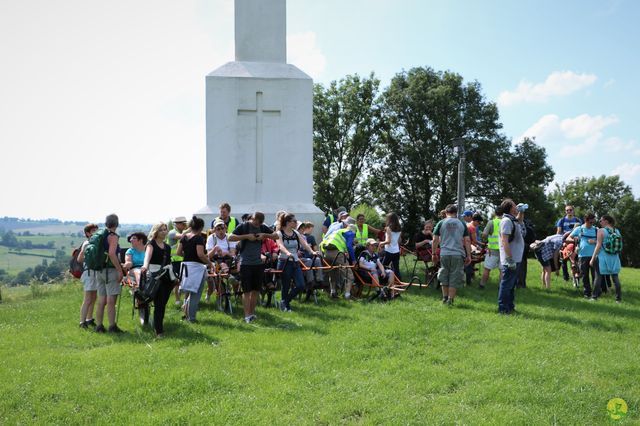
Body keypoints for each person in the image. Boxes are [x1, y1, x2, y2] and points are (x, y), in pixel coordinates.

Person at [229, 212, 278, 323]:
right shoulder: (243, 226)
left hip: (258, 263)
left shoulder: (262, 226)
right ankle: (246, 316)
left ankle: (251, 314)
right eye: (256, 222)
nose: (257, 224)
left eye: (259, 223)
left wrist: (264, 235)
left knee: (255, 291)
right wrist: (246, 237)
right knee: (246, 291)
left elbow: (276, 236)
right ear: (252, 218)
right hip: (245, 263)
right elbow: (230, 237)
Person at [276, 213, 319, 312]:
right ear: (288, 222)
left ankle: (285, 302)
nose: (296, 223)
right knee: (285, 285)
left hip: (295, 261)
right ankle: (286, 306)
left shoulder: (296, 233)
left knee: (301, 285)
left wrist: (312, 251)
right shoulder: (280, 233)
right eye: (294, 221)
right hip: (284, 262)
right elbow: (280, 246)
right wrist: (287, 253)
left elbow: (305, 244)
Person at [432, 205, 471, 305]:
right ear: (456, 212)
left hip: (444, 253)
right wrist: (469, 256)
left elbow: (435, 240)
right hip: (458, 254)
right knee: (455, 276)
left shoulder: (441, 223)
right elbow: (467, 240)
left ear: (446, 212)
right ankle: (450, 299)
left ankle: (445, 298)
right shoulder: (462, 223)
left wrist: (433, 253)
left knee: (444, 274)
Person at [176, 216, 213, 323]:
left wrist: (187, 255)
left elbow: (178, 252)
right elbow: (200, 254)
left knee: (189, 291)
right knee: (195, 295)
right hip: (196, 268)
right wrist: (210, 263)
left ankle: (186, 313)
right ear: (201, 228)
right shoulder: (199, 238)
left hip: (185, 267)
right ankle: (191, 318)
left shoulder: (184, 237)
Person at [140, 223, 173, 337]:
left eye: (165, 230)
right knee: (159, 304)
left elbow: (169, 262)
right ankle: (159, 331)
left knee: (162, 304)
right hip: (155, 276)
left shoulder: (168, 247)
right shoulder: (151, 244)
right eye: (161, 230)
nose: (164, 232)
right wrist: (145, 266)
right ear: (156, 232)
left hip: (167, 277)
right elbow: (147, 257)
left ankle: (158, 325)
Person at [95, 214, 125, 333]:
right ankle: (112, 326)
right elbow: (112, 254)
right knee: (111, 300)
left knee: (101, 300)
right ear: (116, 223)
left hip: (100, 270)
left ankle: (99, 326)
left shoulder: (100, 235)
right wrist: (119, 270)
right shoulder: (113, 236)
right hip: (110, 271)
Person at [497, 199, 525, 315]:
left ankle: (510, 306)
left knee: (511, 284)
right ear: (509, 208)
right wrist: (509, 258)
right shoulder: (506, 221)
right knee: (506, 284)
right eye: (514, 205)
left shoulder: (513, 219)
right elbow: (504, 240)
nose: (516, 207)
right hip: (510, 259)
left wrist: (522, 212)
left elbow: (519, 220)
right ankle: (503, 309)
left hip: (516, 258)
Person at [590, 214, 622, 302]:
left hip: (602, 257)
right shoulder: (617, 231)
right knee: (615, 278)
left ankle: (594, 297)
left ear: (606, 221)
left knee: (598, 277)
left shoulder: (601, 231)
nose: (600, 222)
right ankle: (618, 299)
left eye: (601, 220)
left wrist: (592, 259)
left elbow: (598, 245)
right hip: (614, 257)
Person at [320, 224, 357, 299]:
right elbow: (349, 246)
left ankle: (333, 292)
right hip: (336, 253)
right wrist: (353, 260)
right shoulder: (350, 233)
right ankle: (347, 295)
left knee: (333, 272)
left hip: (326, 253)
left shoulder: (337, 231)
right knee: (349, 275)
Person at [205, 218, 238, 302]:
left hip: (228, 258)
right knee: (221, 265)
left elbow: (233, 254)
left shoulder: (229, 237)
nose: (221, 231)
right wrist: (215, 248)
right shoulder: (211, 238)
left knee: (236, 264)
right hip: (214, 260)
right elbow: (208, 255)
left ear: (225, 228)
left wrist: (225, 253)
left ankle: (235, 292)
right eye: (218, 229)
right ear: (214, 230)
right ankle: (228, 278)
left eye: (222, 228)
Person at [569, 212, 598, 298]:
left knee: (595, 275)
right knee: (584, 275)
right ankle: (587, 293)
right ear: (586, 220)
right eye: (590, 222)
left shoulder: (596, 229)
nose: (592, 224)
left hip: (594, 256)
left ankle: (595, 293)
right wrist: (575, 238)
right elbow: (569, 237)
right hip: (582, 255)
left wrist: (595, 241)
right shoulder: (579, 229)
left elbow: (601, 241)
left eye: (593, 222)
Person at [123, 232, 148, 325]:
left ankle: (142, 290)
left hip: (147, 270)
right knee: (138, 271)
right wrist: (127, 264)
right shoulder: (130, 251)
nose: (130, 240)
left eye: (133, 238)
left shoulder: (148, 250)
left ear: (140, 240)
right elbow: (128, 261)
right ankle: (141, 288)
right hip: (134, 271)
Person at [77, 223, 99, 329]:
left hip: (95, 273)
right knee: (87, 299)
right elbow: (79, 259)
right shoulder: (87, 243)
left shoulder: (96, 242)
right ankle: (82, 322)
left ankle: (89, 319)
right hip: (89, 273)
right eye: (93, 230)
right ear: (87, 233)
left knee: (94, 297)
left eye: (96, 230)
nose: (96, 232)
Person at [556, 205, 582, 281]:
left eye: (570, 210)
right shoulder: (562, 220)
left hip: (576, 242)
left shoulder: (578, 220)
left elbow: (581, 231)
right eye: (567, 210)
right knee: (564, 260)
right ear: (565, 211)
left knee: (576, 260)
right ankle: (566, 278)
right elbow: (558, 232)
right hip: (565, 242)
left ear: (573, 211)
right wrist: (560, 242)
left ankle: (577, 276)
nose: (569, 211)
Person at [480, 207, 503, 289]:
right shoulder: (506, 222)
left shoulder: (491, 222)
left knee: (487, 269)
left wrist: (485, 240)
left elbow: (484, 235)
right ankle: (501, 287)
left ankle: (482, 285)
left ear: (495, 213)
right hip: (503, 250)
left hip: (492, 250)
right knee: (502, 270)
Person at [167, 216, 188, 307]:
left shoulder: (182, 231)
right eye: (183, 224)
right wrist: (190, 229)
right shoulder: (172, 232)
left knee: (184, 279)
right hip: (174, 260)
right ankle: (177, 300)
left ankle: (184, 299)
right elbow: (182, 236)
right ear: (178, 224)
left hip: (182, 259)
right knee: (176, 281)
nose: (185, 225)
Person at [379, 212, 403, 281]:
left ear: (389, 219)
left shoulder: (388, 228)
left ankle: (381, 281)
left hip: (388, 251)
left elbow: (388, 241)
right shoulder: (399, 228)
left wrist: (381, 243)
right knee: (396, 269)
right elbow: (399, 241)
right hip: (396, 251)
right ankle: (399, 282)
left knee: (382, 267)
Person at [464, 212, 483, 286]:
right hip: (468, 247)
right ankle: (468, 282)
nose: (478, 224)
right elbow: (475, 241)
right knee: (469, 263)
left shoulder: (467, 225)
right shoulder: (472, 227)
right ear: (476, 221)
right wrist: (483, 245)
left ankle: (469, 279)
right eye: (479, 223)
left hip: (464, 245)